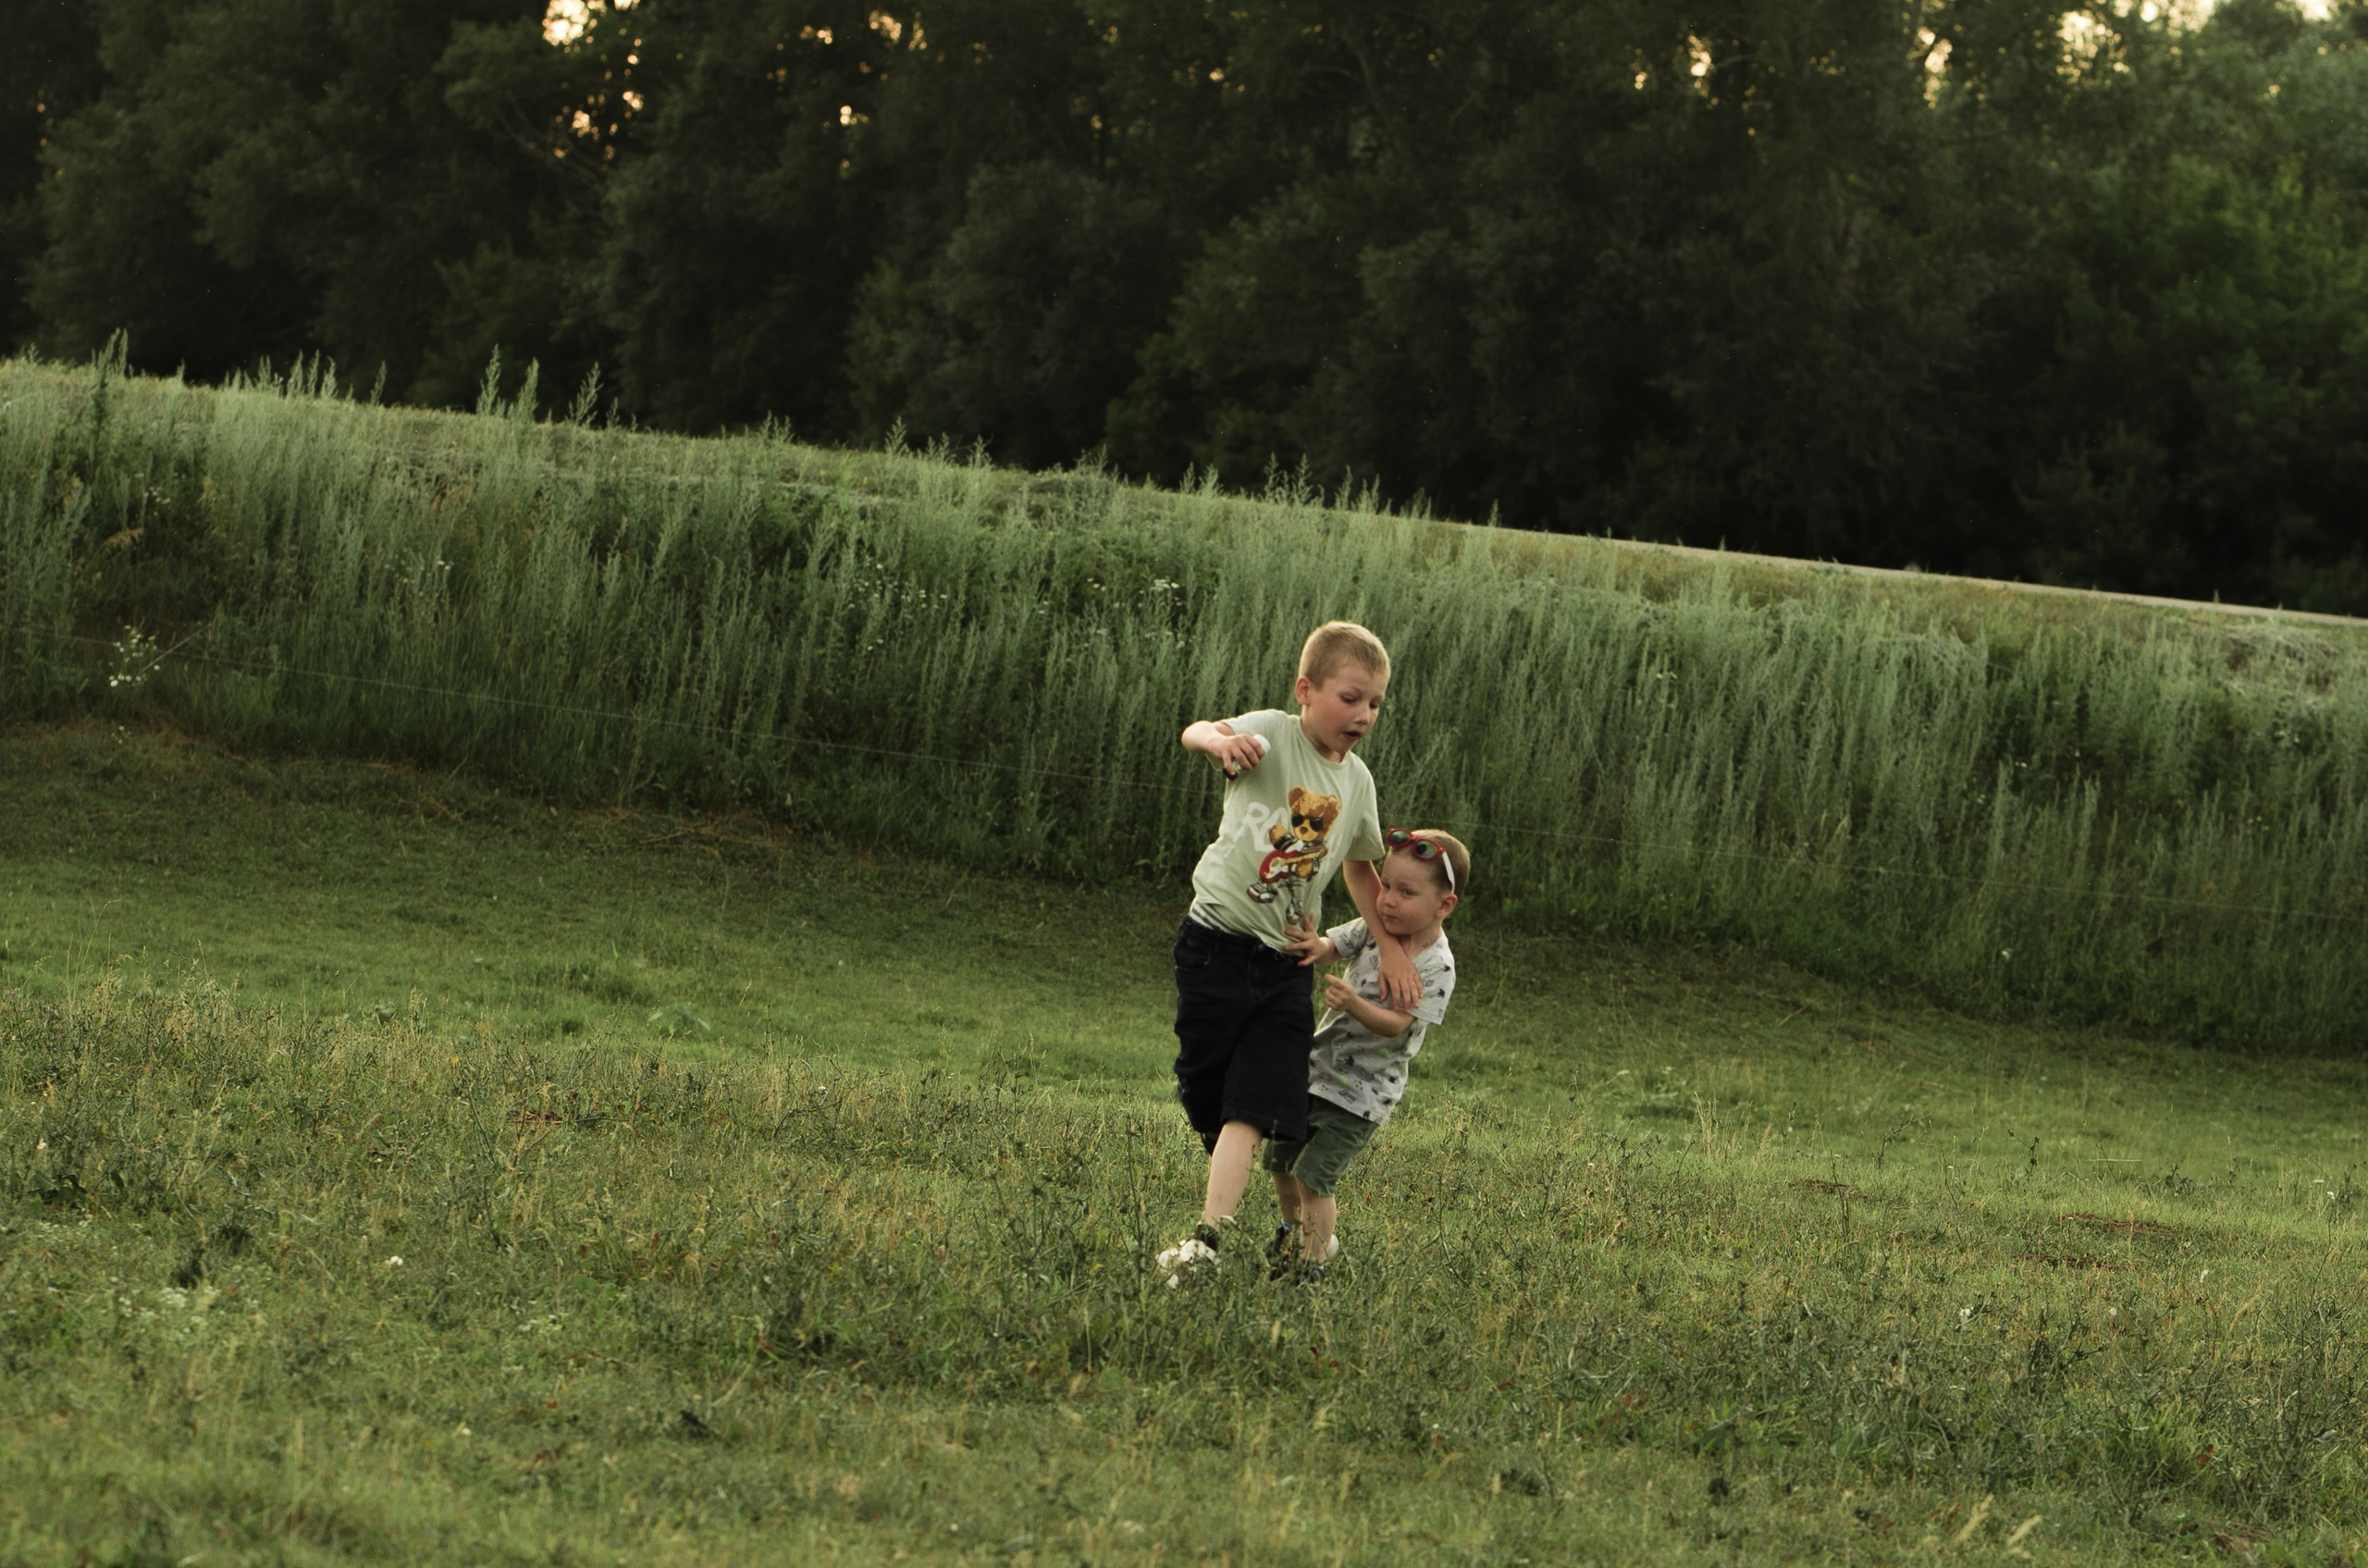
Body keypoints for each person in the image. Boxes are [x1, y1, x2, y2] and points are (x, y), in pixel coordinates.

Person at [1155, 622, 1420, 1283]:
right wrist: (1222, 739)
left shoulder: (1357, 782)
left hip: (1283, 966)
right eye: (1351, 697)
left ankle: (1207, 1243)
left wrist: (1389, 948)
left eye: (1376, 704)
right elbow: (1197, 730)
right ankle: (1245, 1205)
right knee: (1207, 1096)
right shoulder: (1270, 732)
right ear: (1307, 690)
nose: (1364, 714)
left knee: (1255, 1103)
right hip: (1213, 945)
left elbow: (1363, 869)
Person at [1264, 828, 1466, 1283]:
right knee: (1281, 1161)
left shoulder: (1437, 965)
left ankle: (1309, 1269)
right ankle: (1291, 1233)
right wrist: (1315, 945)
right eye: (1388, 886)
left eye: (1406, 892)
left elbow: (1398, 1026)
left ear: (1444, 904)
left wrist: (1355, 1003)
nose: (1387, 901)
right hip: (1317, 1069)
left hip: (1363, 1093)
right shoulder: (1379, 929)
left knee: (1314, 1177)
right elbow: (1334, 947)